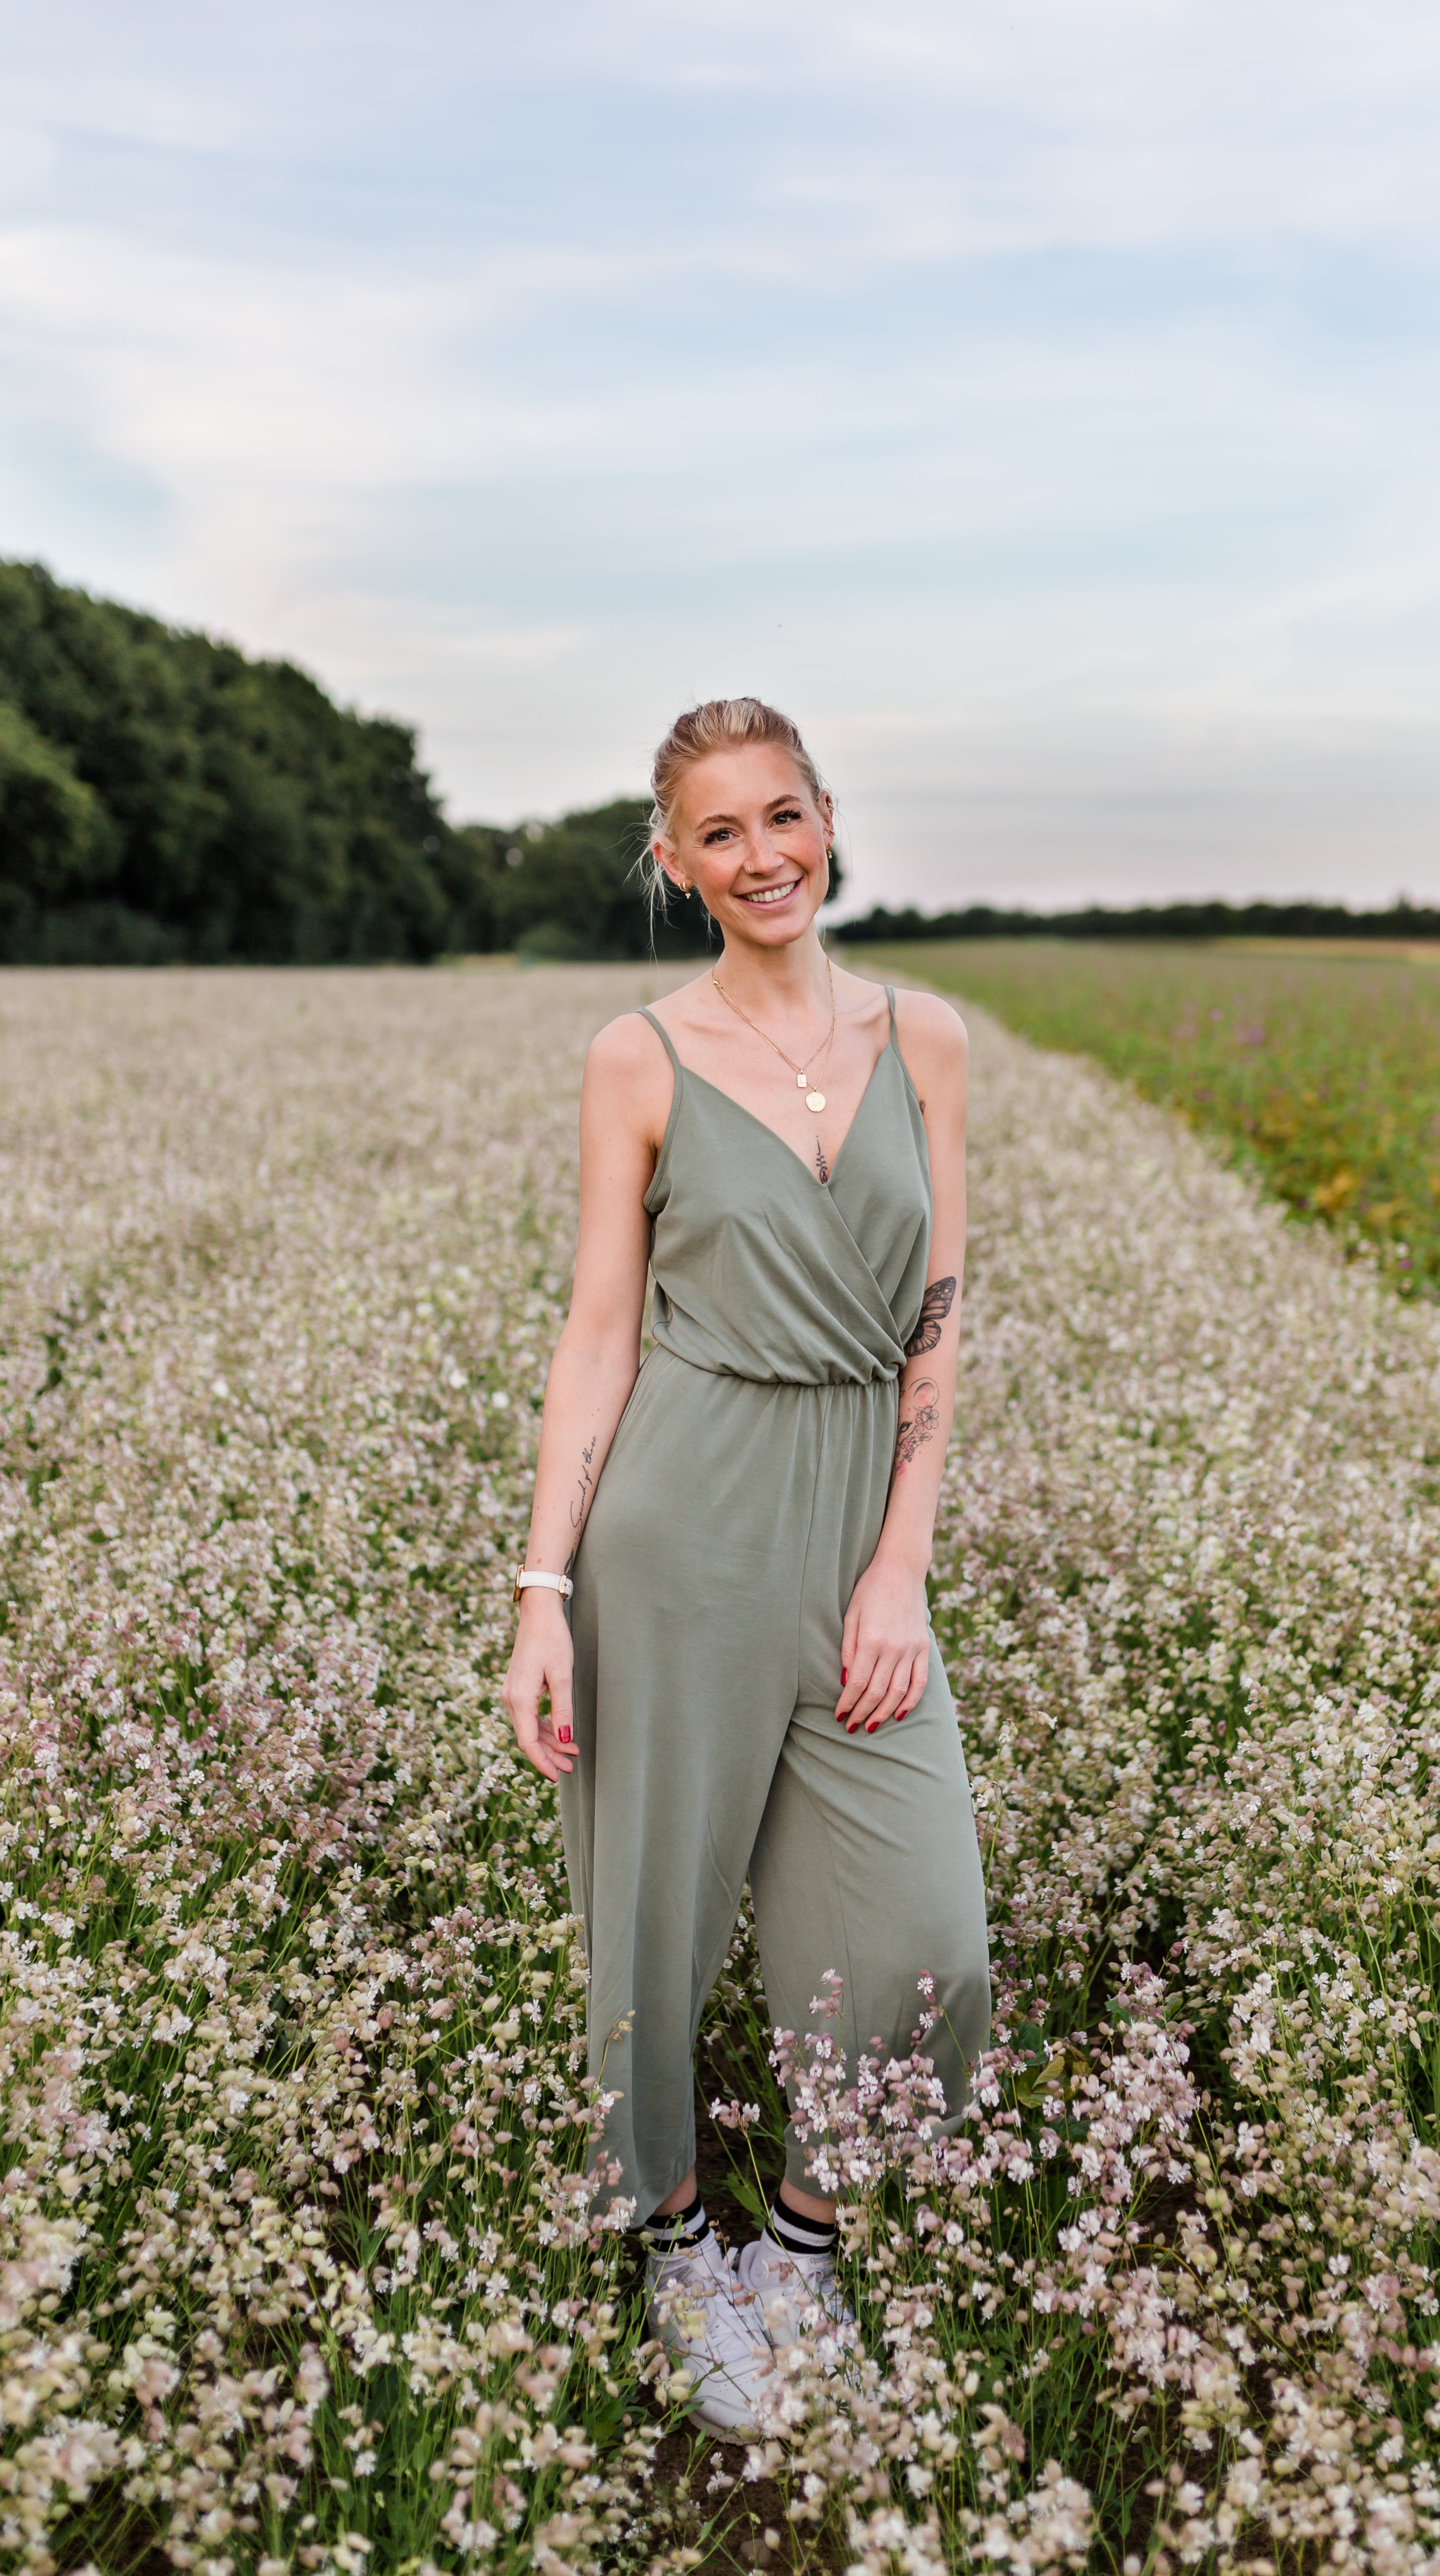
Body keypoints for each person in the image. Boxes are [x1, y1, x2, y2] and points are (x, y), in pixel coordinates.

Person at [500, 698, 991, 2436]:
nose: (763, 855)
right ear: (674, 863)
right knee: (648, 1920)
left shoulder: (926, 1038)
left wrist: (900, 1564)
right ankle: (671, 2244)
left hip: (858, 1520)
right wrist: (543, 1590)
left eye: (784, 815)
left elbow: (936, 1320)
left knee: (928, 1935)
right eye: (720, 833)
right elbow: (599, 1333)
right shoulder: (638, 1056)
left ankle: (801, 2244)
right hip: (680, 1524)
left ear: (828, 816)